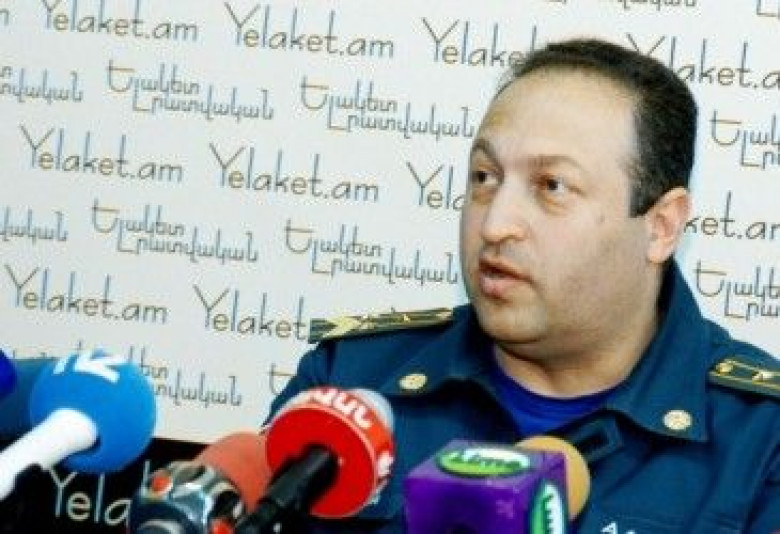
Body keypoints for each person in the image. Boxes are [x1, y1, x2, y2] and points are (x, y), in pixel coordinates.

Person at [266, 38, 780, 533]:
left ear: (661, 226)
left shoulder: (761, 439)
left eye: (552, 186)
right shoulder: (350, 385)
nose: (495, 225)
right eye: (484, 177)